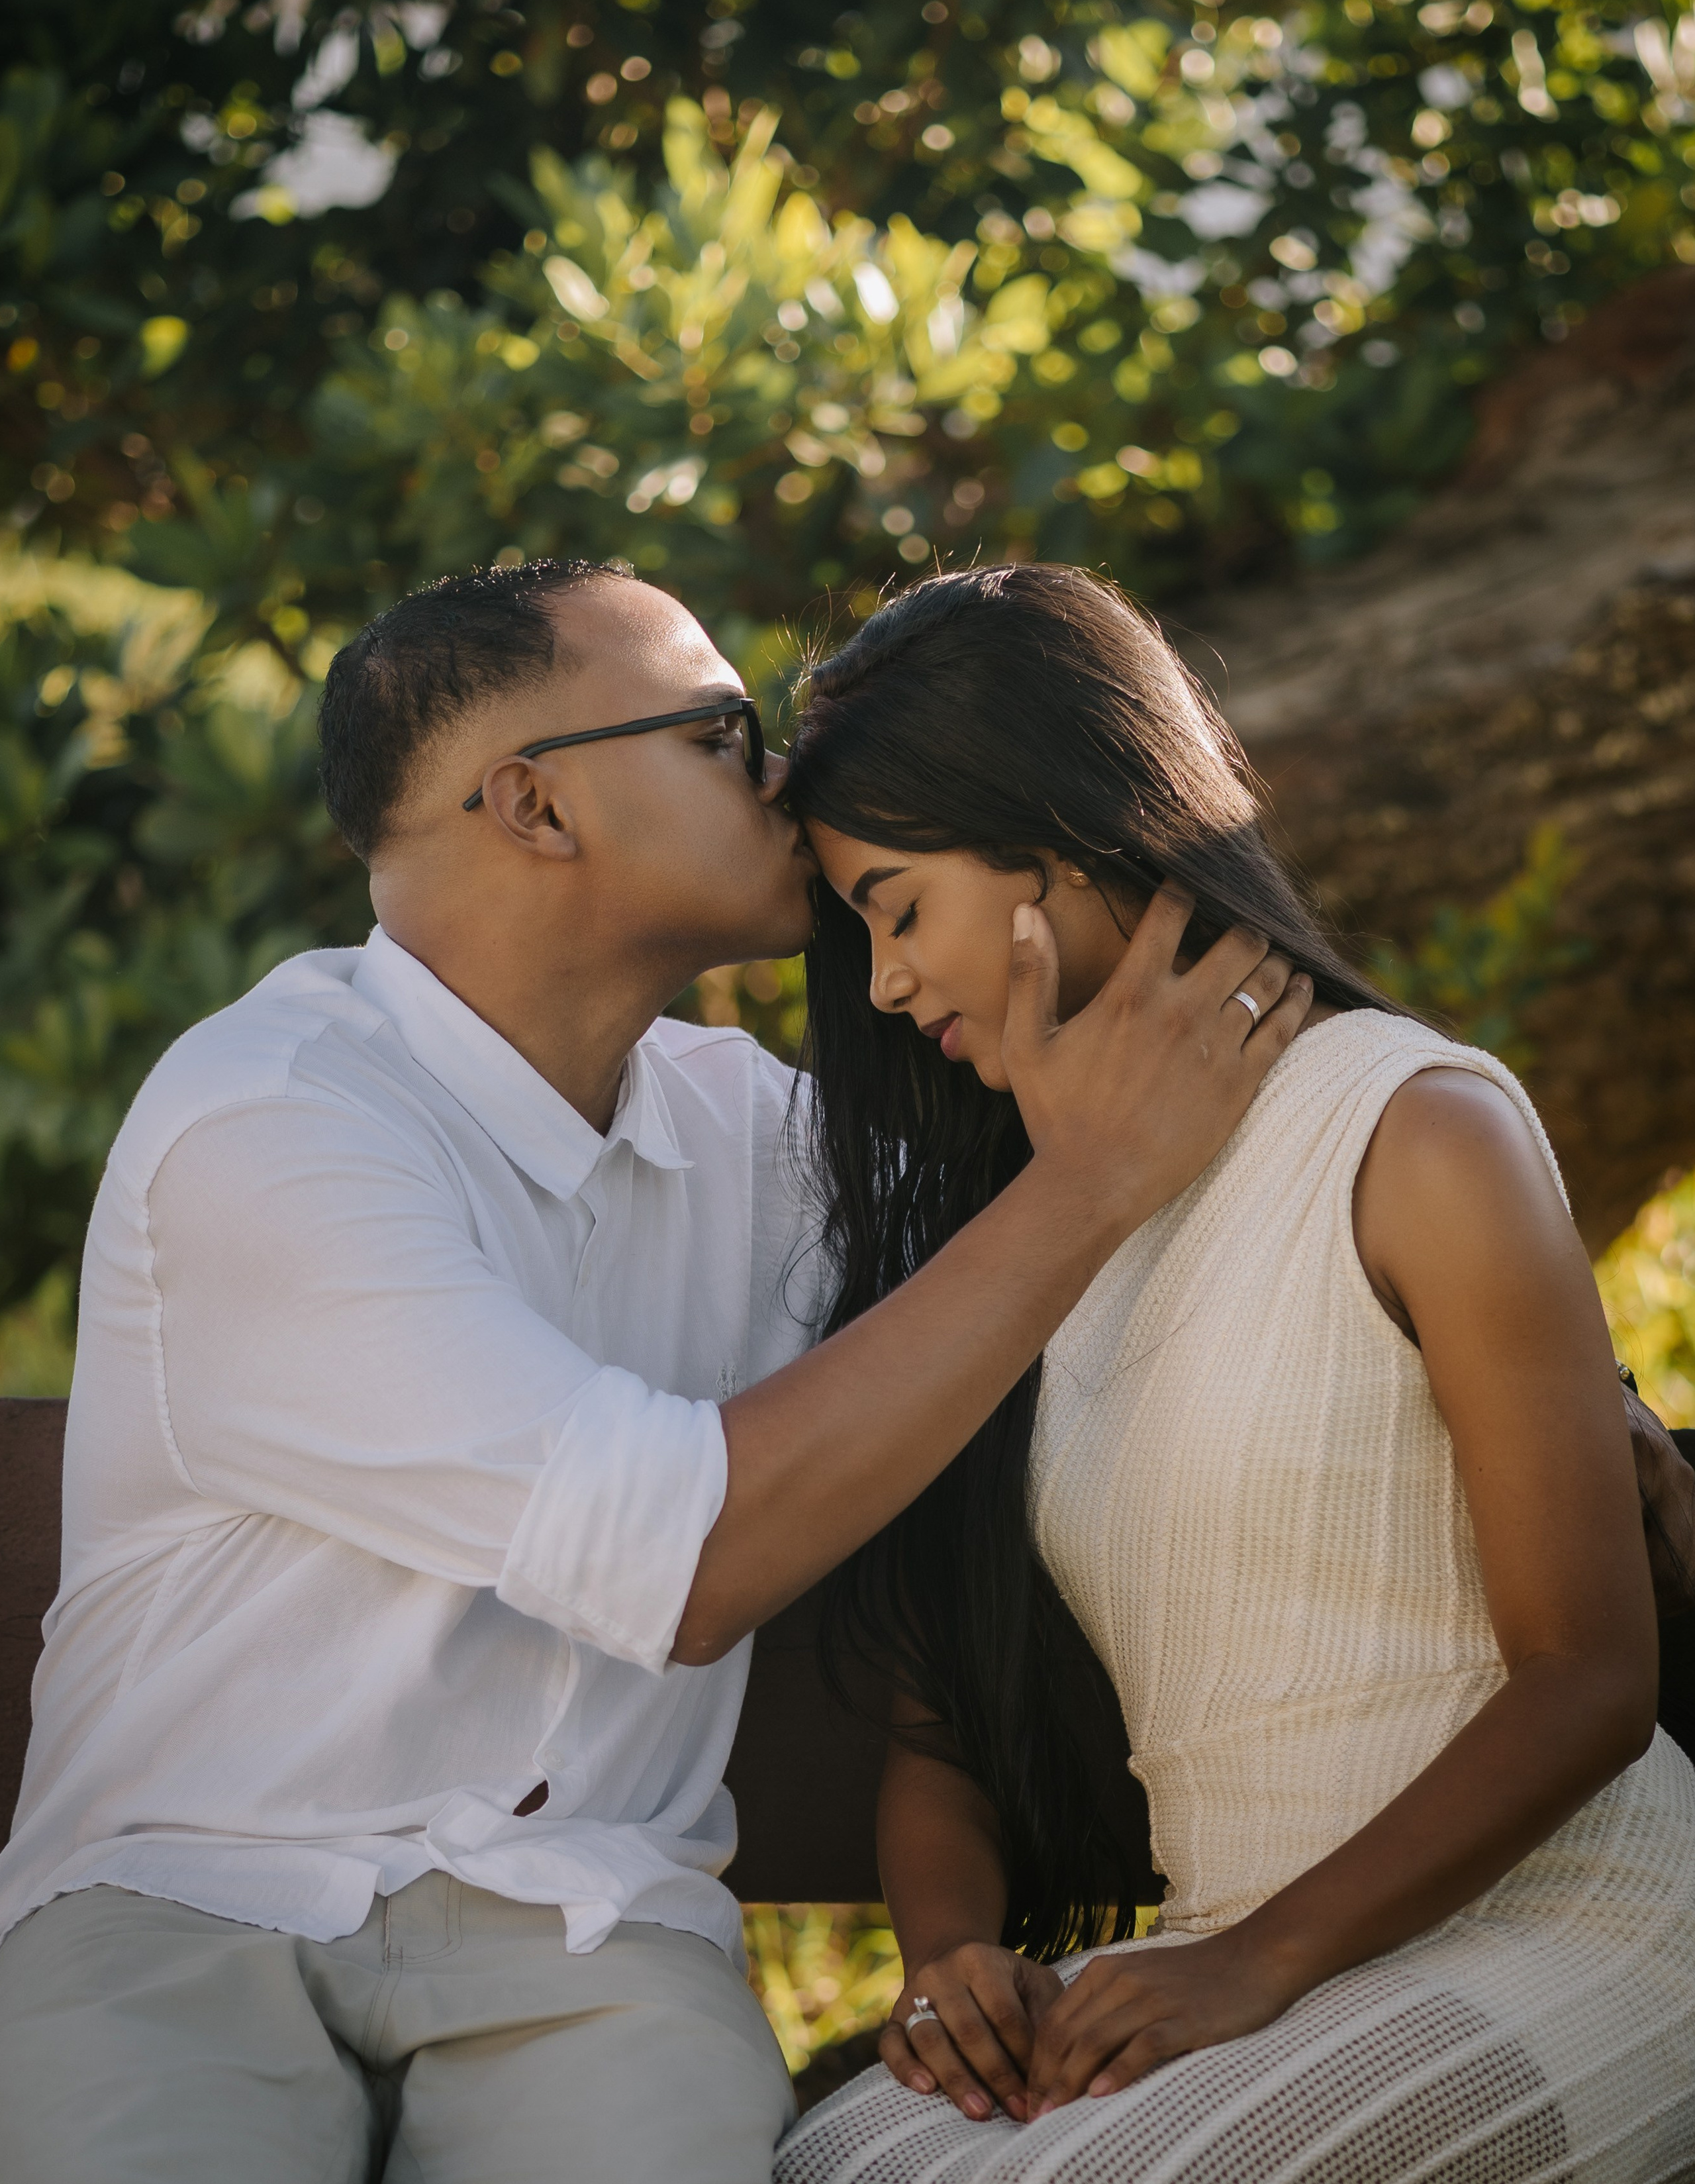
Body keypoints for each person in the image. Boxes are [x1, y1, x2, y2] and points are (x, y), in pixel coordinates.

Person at [0, 558, 1309, 2184]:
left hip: (591, 1931)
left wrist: (1532, 1389)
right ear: (535, 808)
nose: (785, 777)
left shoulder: (747, 1132)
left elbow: (1150, 1268)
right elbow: (683, 1560)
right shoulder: (270, 1126)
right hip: (189, 1904)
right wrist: (1081, 1185)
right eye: (717, 731)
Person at [776, 564, 1695, 2184]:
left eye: (896, 908)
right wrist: (952, 1967)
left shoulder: (1411, 1128)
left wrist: (1254, 1962)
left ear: (1052, 855)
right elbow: (944, 1722)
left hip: (1559, 1932)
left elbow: (1589, 1680)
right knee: (841, 2160)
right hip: (1231, 1975)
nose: (886, 986)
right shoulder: (1030, 1233)